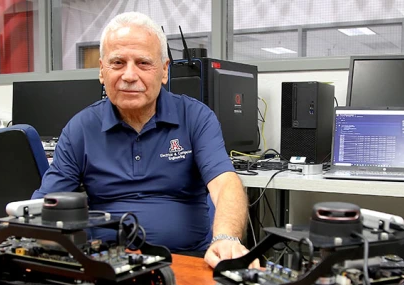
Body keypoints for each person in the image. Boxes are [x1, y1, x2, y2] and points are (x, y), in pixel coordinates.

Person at [31, 11, 250, 269]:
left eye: (143, 63)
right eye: (118, 63)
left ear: (165, 71)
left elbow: (226, 184)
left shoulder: (196, 118)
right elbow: (47, 203)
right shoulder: (80, 128)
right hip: (106, 264)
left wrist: (225, 239)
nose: (129, 75)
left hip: (187, 260)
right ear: (102, 71)